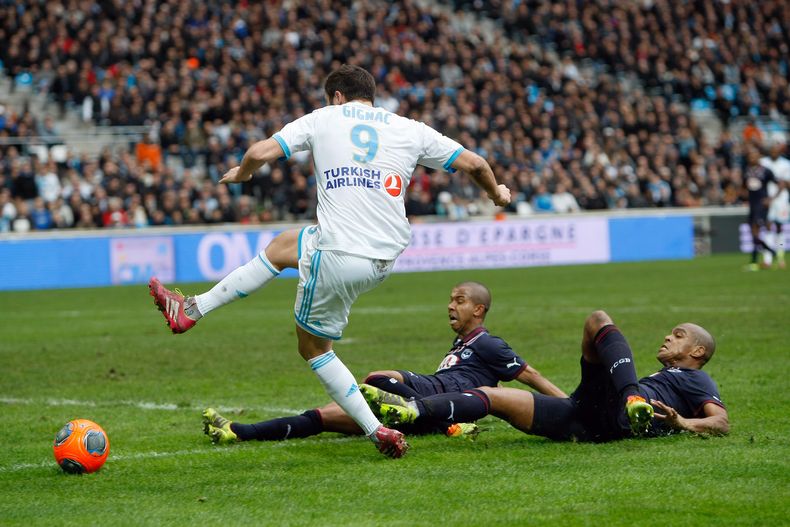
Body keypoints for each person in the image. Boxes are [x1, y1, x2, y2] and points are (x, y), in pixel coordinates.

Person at [148, 65, 512, 458]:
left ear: (336, 96)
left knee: (313, 348)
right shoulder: (409, 127)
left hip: (338, 254)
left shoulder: (324, 118)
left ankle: (377, 432)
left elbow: (258, 152)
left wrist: (242, 174)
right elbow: (475, 164)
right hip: (384, 257)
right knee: (286, 245)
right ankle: (193, 308)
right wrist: (497, 195)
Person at [200, 281, 566, 444]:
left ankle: (440, 424)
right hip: (425, 391)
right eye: (451, 299)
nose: (451, 305)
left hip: (437, 396)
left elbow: (529, 374)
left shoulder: (488, 342)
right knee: (327, 413)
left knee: (377, 379)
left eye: (459, 300)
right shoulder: (463, 343)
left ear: (479, 309)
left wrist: (566, 406)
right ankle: (237, 432)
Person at [374, 310, 729, 442]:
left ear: (697, 353)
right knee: (492, 395)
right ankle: (413, 410)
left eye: (679, 335)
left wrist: (682, 423)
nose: (669, 336)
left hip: (615, 414)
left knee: (597, 320)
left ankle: (631, 396)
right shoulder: (669, 373)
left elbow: (722, 423)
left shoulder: (695, 379)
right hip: (583, 418)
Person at [743, 147, 779, 271]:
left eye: (754, 156)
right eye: (750, 156)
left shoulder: (766, 171)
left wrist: (770, 199)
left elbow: (780, 184)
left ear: (759, 157)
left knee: (755, 230)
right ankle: (770, 251)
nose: (751, 158)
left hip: (761, 205)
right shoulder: (747, 171)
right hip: (752, 205)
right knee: (754, 233)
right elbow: (745, 187)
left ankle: (754, 261)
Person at [760, 142, 790, 269]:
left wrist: (773, 198)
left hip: (781, 200)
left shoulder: (786, 164)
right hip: (766, 199)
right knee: (767, 226)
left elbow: (785, 183)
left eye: (776, 150)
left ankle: (780, 257)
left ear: (779, 151)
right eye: (771, 150)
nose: (773, 152)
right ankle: (767, 259)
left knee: (779, 227)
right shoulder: (763, 162)